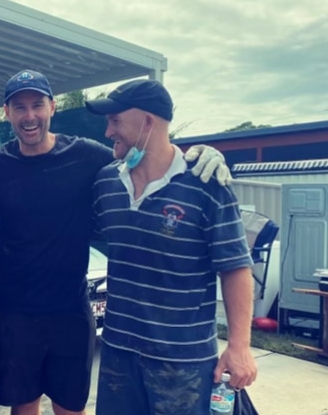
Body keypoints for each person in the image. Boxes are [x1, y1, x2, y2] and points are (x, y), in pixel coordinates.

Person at [0, 69, 232, 414]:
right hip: (16, 314)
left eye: (37, 105)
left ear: (52, 107)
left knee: (70, 407)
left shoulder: (89, 156)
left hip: (71, 312)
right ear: (7, 113)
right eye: (20, 107)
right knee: (24, 405)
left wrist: (194, 154)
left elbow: (142, 154)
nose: (29, 116)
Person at [85, 79, 258, 414]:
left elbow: (235, 267)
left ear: (148, 122)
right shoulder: (107, 182)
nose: (108, 132)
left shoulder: (207, 185)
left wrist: (239, 346)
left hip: (183, 363)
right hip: (118, 355)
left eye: (116, 121)